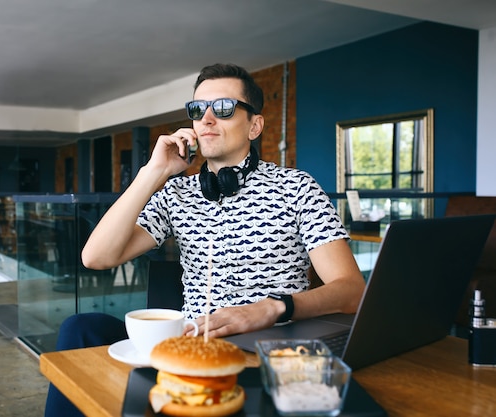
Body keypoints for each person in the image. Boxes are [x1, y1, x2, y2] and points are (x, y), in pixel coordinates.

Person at [44, 63, 365, 416]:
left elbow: (351, 290)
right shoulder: (176, 192)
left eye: (224, 108)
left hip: (268, 350)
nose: (207, 119)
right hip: (191, 346)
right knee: (80, 328)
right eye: (198, 109)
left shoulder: (296, 187)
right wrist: (154, 172)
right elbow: (96, 257)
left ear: (254, 125)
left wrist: (274, 307)